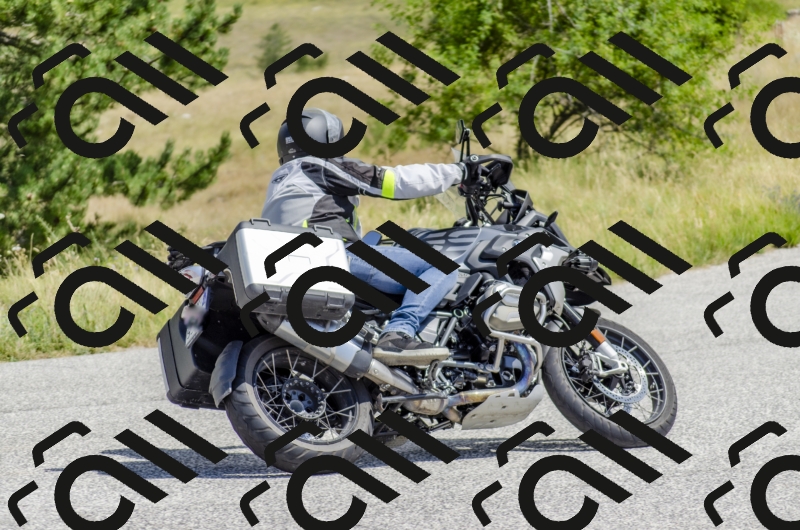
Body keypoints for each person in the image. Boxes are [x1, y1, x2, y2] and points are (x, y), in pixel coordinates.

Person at [260, 108, 479, 366]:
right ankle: (398, 334)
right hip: (333, 257)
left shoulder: (280, 180)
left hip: (294, 267)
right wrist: (459, 172)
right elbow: (394, 181)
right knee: (441, 266)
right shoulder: (319, 167)